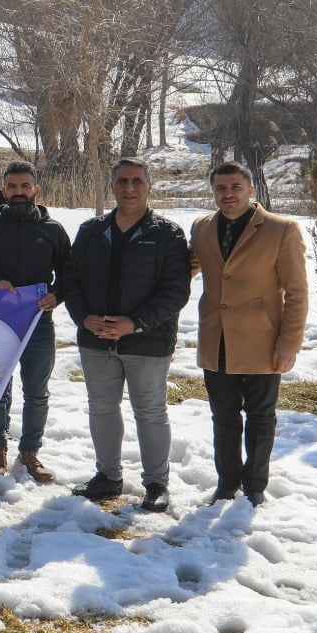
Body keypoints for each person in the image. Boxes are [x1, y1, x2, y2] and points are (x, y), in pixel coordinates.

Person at [59, 158, 191, 512]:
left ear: (149, 186)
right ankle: (108, 476)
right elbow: (70, 281)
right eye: (121, 181)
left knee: (149, 411)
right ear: (112, 185)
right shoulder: (90, 231)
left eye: (136, 181)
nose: (128, 187)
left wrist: (135, 323)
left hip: (147, 341)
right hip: (95, 339)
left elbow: (176, 291)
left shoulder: (167, 234)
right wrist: (84, 318)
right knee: (101, 408)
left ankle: (156, 483)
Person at [191, 160, 309, 507]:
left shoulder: (281, 229)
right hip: (216, 340)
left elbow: (297, 292)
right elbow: (186, 269)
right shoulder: (201, 227)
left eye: (235, 187)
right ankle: (227, 483)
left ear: (250, 190)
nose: (228, 194)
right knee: (223, 417)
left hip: (263, 341)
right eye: (221, 188)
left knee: (260, 416)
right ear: (213, 192)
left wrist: (289, 345)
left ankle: (255, 485)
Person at [0, 160, 69, 484]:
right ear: (3, 189)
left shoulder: (52, 230)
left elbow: (71, 273)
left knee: (37, 390)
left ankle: (30, 453)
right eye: (13, 187)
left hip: (39, 322)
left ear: (35, 190)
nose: (19, 193)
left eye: (25, 187)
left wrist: (57, 294)